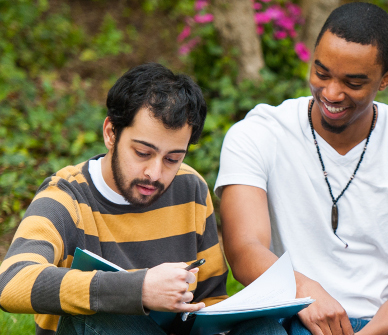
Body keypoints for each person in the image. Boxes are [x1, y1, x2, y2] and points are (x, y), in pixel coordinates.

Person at [215, 2, 388, 335]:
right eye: (321, 73)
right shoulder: (258, 133)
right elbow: (244, 251)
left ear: (386, 79)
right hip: (292, 315)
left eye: (353, 83)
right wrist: (305, 291)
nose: (331, 93)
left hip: (385, 326)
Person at [0, 63, 284, 335]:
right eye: (142, 153)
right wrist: (139, 289)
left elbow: (211, 301)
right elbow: (11, 282)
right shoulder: (66, 196)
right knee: (109, 316)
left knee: (267, 329)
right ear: (111, 133)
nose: (155, 173)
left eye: (173, 158)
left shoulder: (191, 188)